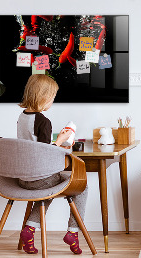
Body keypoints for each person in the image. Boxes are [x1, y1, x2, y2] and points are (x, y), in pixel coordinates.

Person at [17, 74, 87, 255]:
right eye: (52, 98)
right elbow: (45, 153)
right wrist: (62, 140)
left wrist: (56, 141)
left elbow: (34, 146)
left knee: (47, 189)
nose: (52, 102)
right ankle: (73, 232)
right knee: (82, 186)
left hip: (23, 178)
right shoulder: (43, 121)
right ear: (44, 97)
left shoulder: (22, 117)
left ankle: (29, 230)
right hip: (40, 178)